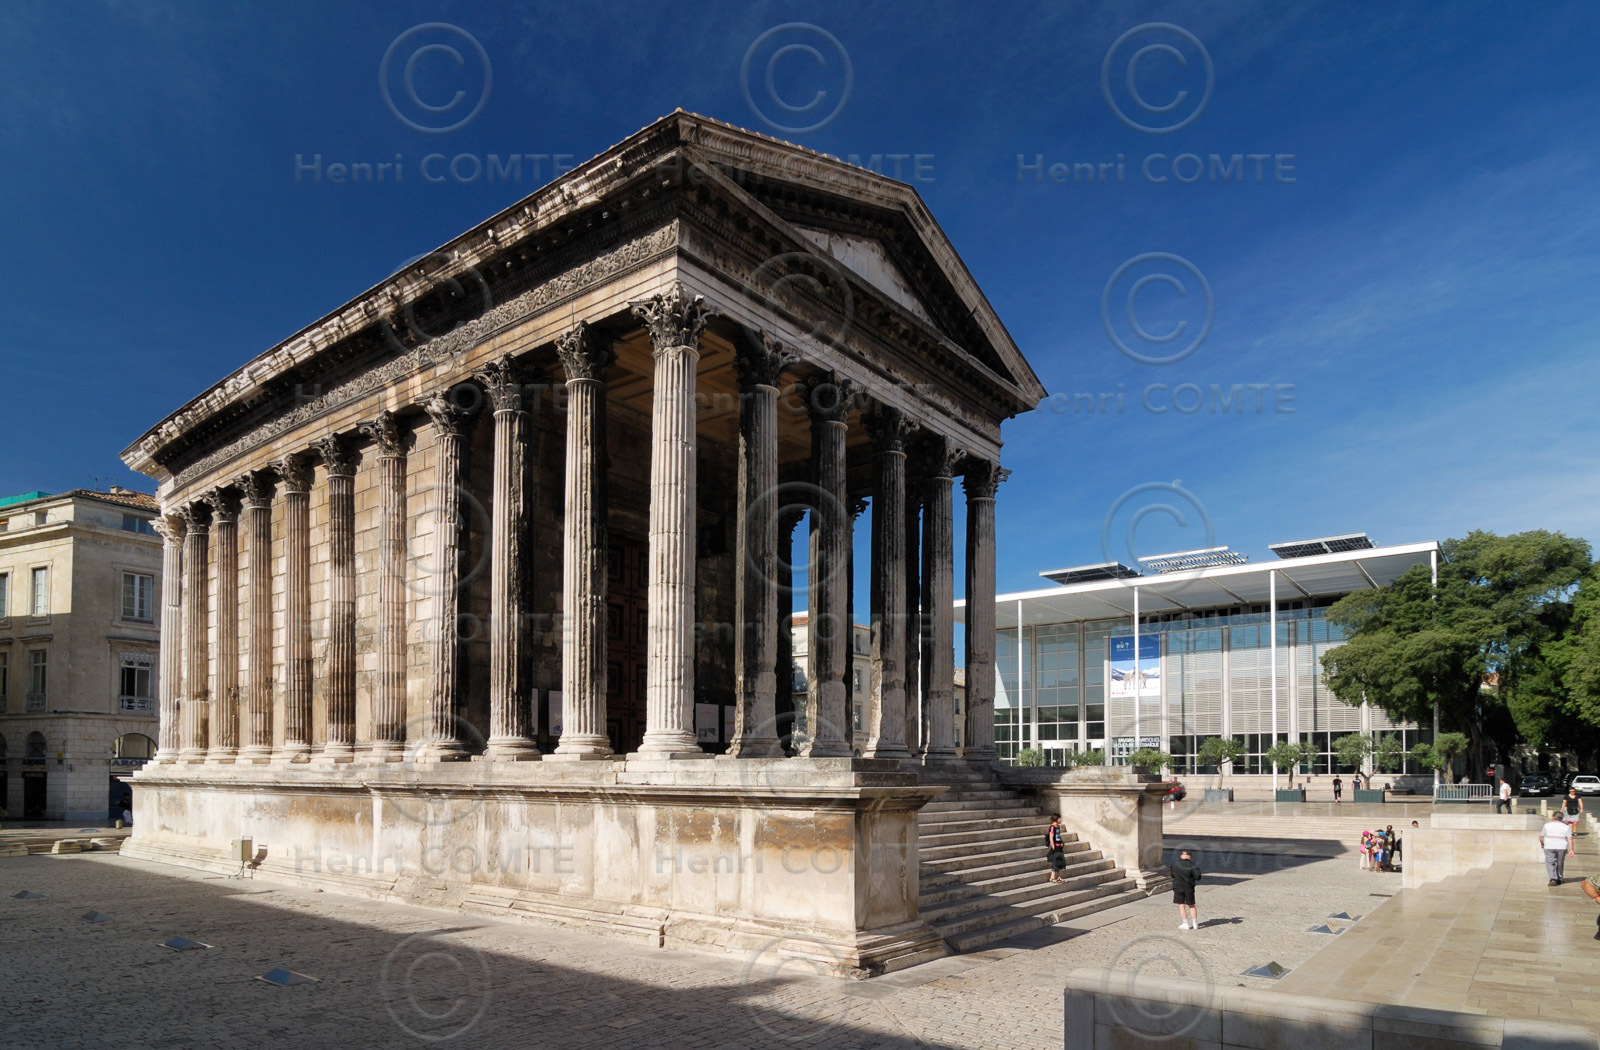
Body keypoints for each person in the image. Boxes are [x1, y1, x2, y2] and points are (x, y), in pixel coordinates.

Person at [1172, 848, 1203, 930]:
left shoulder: (1175, 864)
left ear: (1181, 855)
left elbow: (1172, 874)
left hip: (1178, 886)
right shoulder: (1193, 865)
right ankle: (1195, 923)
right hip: (1189, 887)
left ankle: (1185, 923)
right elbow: (1198, 877)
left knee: (1181, 905)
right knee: (1191, 905)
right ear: (1189, 857)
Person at [1542, 815, 1574, 886]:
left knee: (1550, 862)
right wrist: (1571, 850)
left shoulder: (1546, 825)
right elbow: (1570, 838)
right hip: (1562, 847)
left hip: (1549, 846)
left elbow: (1541, 836)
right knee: (1560, 862)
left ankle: (1553, 878)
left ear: (1553, 817)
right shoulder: (1566, 827)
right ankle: (1559, 877)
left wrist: (1542, 843)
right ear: (1562, 819)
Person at [1045, 814, 1068, 884]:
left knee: (1061, 861)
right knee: (1055, 862)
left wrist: (1062, 842)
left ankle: (1059, 876)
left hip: (1059, 846)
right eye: (1059, 818)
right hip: (1055, 846)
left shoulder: (1058, 826)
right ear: (1056, 818)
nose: (1060, 819)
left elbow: (1058, 836)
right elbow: (1051, 838)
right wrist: (1053, 847)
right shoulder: (1052, 827)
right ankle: (1052, 877)